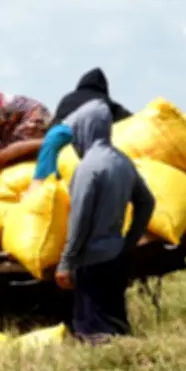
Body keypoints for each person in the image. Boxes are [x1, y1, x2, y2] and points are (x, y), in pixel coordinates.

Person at [53, 99, 155, 345]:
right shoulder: (121, 161)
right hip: (115, 255)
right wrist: (129, 240)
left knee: (93, 332)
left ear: (86, 129)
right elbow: (147, 202)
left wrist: (66, 262)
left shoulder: (88, 168)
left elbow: (80, 220)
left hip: (92, 261)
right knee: (116, 323)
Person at [31, 67, 133, 184]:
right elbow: (130, 119)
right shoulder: (104, 101)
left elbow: (54, 124)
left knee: (44, 178)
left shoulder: (67, 98)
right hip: (85, 140)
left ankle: (41, 186)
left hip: (57, 138)